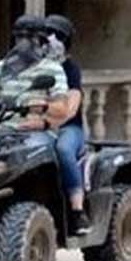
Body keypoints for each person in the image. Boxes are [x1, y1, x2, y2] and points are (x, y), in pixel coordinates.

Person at [43, 13, 90, 234]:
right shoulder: (35, 66)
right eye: (47, 34)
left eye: (58, 36)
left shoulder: (71, 69)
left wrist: (49, 119)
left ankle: (77, 211)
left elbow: (70, 109)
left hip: (68, 128)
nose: (51, 39)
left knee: (62, 149)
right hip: (36, 126)